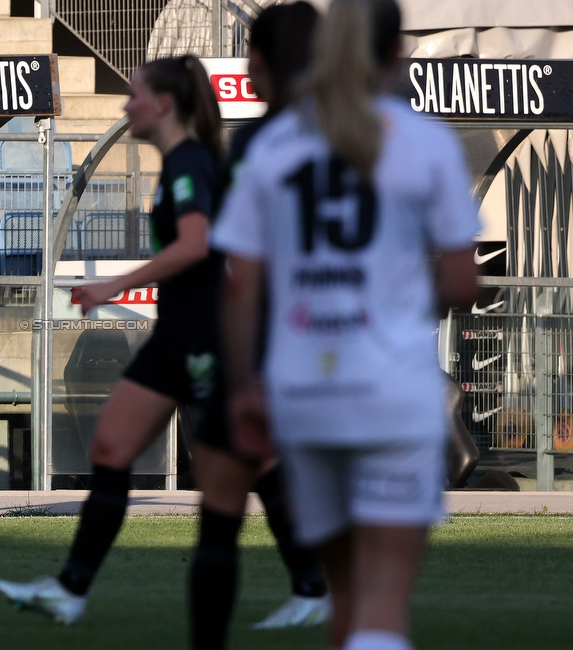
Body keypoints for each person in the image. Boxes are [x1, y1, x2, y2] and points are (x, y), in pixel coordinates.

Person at [212, 2, 479, 650]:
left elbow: (240, 282)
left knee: (344, 600)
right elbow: (463, 282)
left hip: (304, 387)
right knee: (383, 603)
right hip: (391, 387)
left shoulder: (275, 143)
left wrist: (244, 385)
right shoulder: (425, 141)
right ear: (396, 56)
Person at [0, 55, 227, 625]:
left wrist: (114, 284)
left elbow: (196, 245)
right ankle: (71, 588)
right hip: (174, 338)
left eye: (135, 95)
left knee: (237, 477)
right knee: (112, 450)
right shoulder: (178, 165)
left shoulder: (191, 162)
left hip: (202, 339)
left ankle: (320, 581)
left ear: (164, 105)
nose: (125, 105)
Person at [188, 4, 330, 647]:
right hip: (350, 344)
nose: (246, 65)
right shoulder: (381, 133)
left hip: (278, 333)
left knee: (221, 494)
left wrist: (239, 365)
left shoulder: (258, 142)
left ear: (269, 61)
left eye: (252, 52)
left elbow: (243, 265)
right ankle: (315, 586)